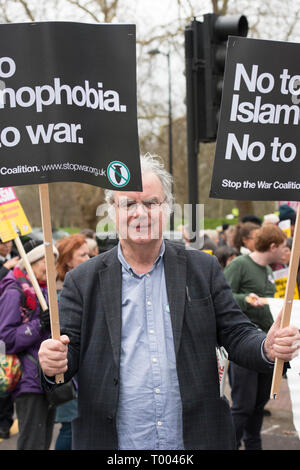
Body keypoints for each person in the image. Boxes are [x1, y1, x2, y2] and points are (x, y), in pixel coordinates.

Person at [38, 154, 300, 450]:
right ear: (113, 212)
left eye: (151, 203)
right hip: (115, 443)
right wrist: (51, 363)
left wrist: (267, 345)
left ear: (168, 208)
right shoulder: (82, 281)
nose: (141, 213)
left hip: (194, 440)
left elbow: (236, 334)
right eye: (128, 204)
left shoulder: (204, 269)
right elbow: (66, 356)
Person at [223, 224, 288, 450]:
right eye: (283, 247)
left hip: (266, 348)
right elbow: (223, 295)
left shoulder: (269, 270)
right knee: (243, 405)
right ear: (272, 246)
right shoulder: (240, 265)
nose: (285, 251)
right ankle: (229, 444)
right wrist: (245, 299)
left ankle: (253, 445)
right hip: (245, 345)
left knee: (259, 404)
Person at [0, 239, 58, 449]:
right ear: (31, 262)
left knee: (42, 442)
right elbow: (5, 339)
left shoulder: (44, 291)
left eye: (54, 262)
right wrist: (38, 325)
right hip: (28, 380)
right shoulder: (15, 291)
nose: (51, 267)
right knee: (32, 443)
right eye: (46, 261)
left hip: (46, 378)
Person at [54, 233, 90, 450]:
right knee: (69, 427)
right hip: (70, 374)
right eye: (82, 255)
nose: (88, 259)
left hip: (87, 374)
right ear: (68, 260)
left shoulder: (90, 284)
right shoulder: (61, 293)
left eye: (89, 254)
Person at [0, 240, 19, 439]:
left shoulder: (16, 257)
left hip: (7, 326)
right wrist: (5, 269)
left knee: (4, 375)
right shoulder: (6, 265)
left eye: (10, 242)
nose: (7, 246)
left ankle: (5, 422)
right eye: (3, 243)